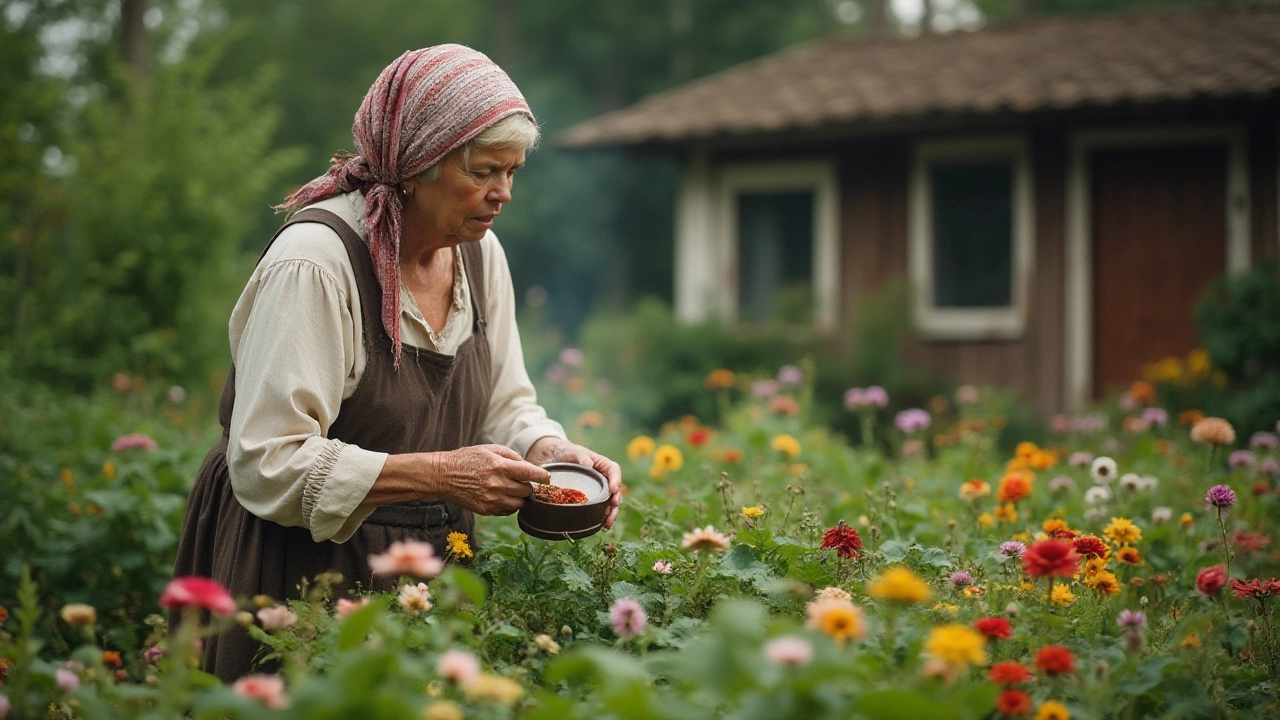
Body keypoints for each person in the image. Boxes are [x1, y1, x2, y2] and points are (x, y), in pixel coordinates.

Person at [171, 44, 623, 682]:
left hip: (425, 568)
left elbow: (504, 403)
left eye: (513, 172)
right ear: (416, 166)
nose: (504, 195)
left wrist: (549, 449)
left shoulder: (479, 254)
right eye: (486, 172)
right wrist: (442, 473)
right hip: (297, 568)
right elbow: (267, 460)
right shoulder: (316, 264)